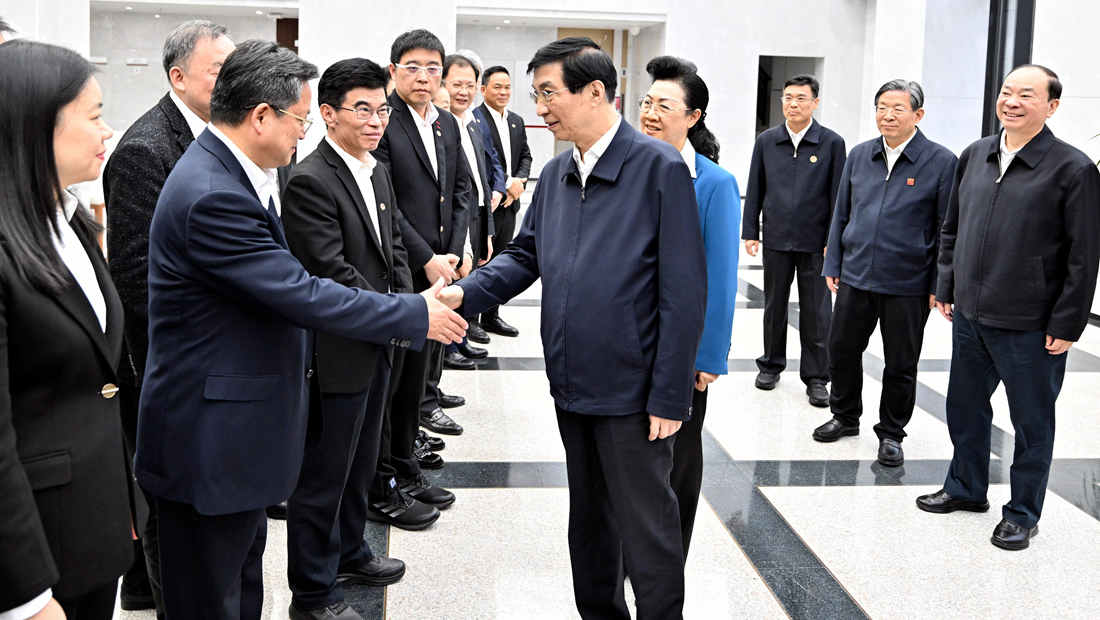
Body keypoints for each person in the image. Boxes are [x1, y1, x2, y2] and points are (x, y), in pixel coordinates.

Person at [133, 40, 466, 620]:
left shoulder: (234, 173)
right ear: (262, 115)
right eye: (301, 119)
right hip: (210, 439)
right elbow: (300, 291)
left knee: (239, 586)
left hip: (236, 432)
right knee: (210, 597)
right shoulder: (213, 195)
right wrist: (414, 314)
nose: (303, 133)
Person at [439, 37, 706, 619]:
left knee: (647, 528)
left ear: (594, 92)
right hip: (572, 382)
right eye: (535, 95)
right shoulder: (559, 171)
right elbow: (525, 255)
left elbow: (684, 293)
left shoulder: (658, 168)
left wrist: (670, 395)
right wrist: (464, 293)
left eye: (548, 93)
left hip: (634, 391)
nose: (540, 108)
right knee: (588, 521)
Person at [918, 65, 1100, 550]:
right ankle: (965, 487)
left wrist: (1068, 322)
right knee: (965, 408)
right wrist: (947, 285)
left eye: (1026, 95)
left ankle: (1022, 513)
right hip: (970, 315)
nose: (1012, 102)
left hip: (1031, 324)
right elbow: (952, 228)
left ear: (1051, 106)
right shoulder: (976, 154)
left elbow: (1084, 256)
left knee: (1031, 423)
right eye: (1006, 92)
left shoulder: (1073, 168)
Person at [279, 57, 425, 620]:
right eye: (361, 109)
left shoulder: (376, 170)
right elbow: (332, 272)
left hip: (378, 342)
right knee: (324, 475)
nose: (375, 121)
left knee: (361, 462)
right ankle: (312, 593)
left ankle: (349, 551)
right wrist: (402, 314)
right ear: (327, 113)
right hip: (336, 351)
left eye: (381, 109)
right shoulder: (310, 180)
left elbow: (393, 251)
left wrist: (405, 309)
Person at [101, 20, 235, 615]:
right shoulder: (146, 148)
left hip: (193, 356)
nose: (231, 82)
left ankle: (139, 586)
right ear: (178, 77)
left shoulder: (213, 134)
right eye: (218, 72)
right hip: (161, 364)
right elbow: (137, 279)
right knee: (166, 503)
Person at [0, 39, 130, 620]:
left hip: (92, 525)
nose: (108, 131)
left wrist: (123, 497)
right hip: (34, 553)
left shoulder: (69, 219)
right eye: (95, 115)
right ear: (36, 126)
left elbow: (98, 378)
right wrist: (26, 597)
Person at [818, 80, 957, 467]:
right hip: (856, 274)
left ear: (918, 114)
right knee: (841, 350)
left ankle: (892, 433)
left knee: (900, 362)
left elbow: (947, 229)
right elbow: (841, 212)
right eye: (882, 107)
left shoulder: (942, 161)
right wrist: (834, 263)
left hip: (909, 282)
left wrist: (940, 284)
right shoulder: (860, 155)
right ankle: (845, 416)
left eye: (898, 108)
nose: (887, 115)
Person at [367, 28, 471, 532]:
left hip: (441, 269)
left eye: (433, 68)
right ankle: (386, 474)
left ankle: (406, 465)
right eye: (412, 67)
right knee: (395, 381)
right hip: (402, 271)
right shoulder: (382, 120)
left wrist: (458, 249)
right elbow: (386, 200)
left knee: (420, 378)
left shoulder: (446, 123)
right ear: (393, 71)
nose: (424, 76)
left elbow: (461, 189)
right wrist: (427, 257)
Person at [639, 56, 739, 561]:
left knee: (679, 452)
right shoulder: (628, 167)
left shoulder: (714, 183)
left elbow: (721, 277)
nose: (650, 113)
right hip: (631, 339)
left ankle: (669, 554)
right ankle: (631, 550)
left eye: (664, 105)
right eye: (646, 102)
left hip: (681, 345)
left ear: (693, 116)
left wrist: (707, 355)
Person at [741, 74, 846, 405]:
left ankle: (817, 377)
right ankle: (771, 366)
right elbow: (755, 187)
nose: (793, 104)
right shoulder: (767, 141)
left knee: (817, 312)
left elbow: (839, 197)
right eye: (788, 97)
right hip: (776, 238)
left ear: (815, 103)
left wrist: (833, 240)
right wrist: (751, 231)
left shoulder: (831, 143)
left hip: (816, 243)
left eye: (801, 98)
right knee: (774, 306)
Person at [440, 52, 505, 370]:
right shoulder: (441, 125)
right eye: (456, 85)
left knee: (469, 282)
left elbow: (482, 179)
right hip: (457, 217)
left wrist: (488, 231)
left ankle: (459, 338)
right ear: (443, 84)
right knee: (453, 281)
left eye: (469, 85)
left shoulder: (473, 124)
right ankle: (447, 346)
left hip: (479, 214)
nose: (463, 92)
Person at [474, 64, 533, 339]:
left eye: (507, 87)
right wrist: (508, 184)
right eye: (497, 87)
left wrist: (518, 182)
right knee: (480, 261)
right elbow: (479, 162)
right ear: (483, 89)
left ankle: (491, 316)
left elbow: (526, 156)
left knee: (500, 260)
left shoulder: (516, 121)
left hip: (510, 204)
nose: (503, 92)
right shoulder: (475, 119)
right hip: (488, 203)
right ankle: (471, 318)